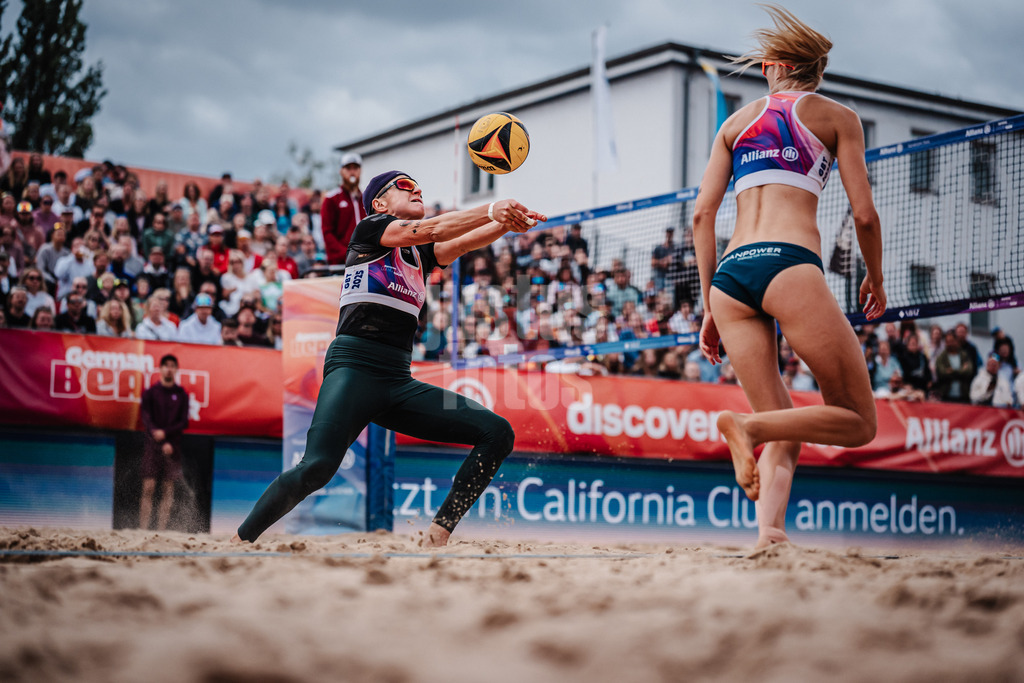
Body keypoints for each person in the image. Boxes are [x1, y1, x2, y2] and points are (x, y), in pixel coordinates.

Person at [232, 170, 545, 547]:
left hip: (396, 380)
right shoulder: (370, 230)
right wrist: (492, 207)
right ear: (379, 204)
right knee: (316, 468)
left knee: (497, 433)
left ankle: (437, 536)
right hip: (353, 368)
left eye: (420, 187)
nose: (417, 191)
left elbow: (457, 243)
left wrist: (504, 224)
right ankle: (241, 540)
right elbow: (434, 229)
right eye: (406, 187)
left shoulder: (419, 254)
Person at [693, 5, 886, 549]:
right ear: (816, 72)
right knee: (856, 420)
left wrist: (710, 302)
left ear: (770, 67)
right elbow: (865, 215)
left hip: (730, 276)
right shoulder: (835, 116)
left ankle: (769, 534)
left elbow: (702, 216)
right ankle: (748, 430)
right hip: (788, 262)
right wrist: (875, 276)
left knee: (782, 418)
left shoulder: (735, 123)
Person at [138, 354, 190, 530]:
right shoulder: (150, 393)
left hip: (173, 446)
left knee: (168, 489)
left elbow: (183, 422)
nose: (169, 369)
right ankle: (143, 529)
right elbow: (146, 418)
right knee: (149, 487)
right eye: (166, 365)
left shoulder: (181, 395)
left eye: (172, 366)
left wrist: (166, 436)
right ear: (160, 369)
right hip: (152, 445)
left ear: (176, 369)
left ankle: (161, 530)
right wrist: (157, 435)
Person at [321, 153, 365, 265]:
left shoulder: (366, 198)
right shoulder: (332, 198)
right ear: (341, 171)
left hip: (366, 260)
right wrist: (346, 254)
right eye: (348, 168)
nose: (352, 172)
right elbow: (327, 232)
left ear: (360, 170)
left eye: (355, 168)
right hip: (341, 263)